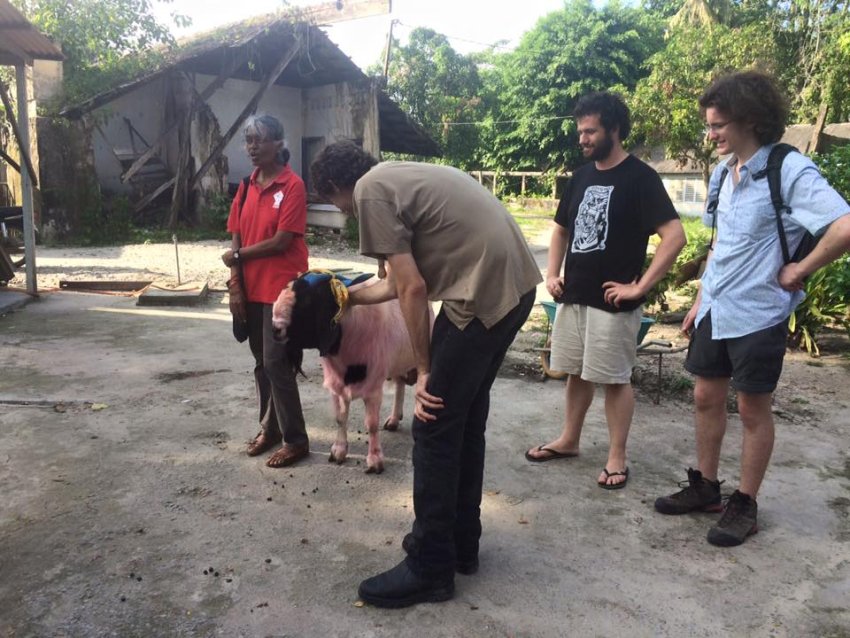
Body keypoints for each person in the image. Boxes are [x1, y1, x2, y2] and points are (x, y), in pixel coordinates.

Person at [310, 141, 541, 608]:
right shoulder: (394, 177)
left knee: (433, 424)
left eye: (332, 202)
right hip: (514, 288)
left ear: (335, 188)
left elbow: (412, 289)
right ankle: (460, 543)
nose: (340, 211)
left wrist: (425, 368)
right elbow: (394, 283)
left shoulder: (368, 194)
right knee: (464, 417)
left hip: (481, 297)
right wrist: (347, 296)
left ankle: (431, 566)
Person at [654, 71, 850, 546]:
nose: (711, 134)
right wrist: (701, 298)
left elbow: (843, 226)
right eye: (709, 126)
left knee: (752, 407)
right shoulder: (724, 173)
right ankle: (705, 487)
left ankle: (745, 502)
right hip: (718, 308)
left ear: (752, 120)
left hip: (760, 311)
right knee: (704, 396)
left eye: (718, 125)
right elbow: (723, 243)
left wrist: (799, 269)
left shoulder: (789, 170)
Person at [524, 92, 686, 489]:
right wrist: (552, 273)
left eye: (590, 130)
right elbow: (561, 228)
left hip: (614, 304)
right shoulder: (580, 177)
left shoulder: (641, 178)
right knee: (577, 373)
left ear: (614, 129)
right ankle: (569, 440)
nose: (582, 138)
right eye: (580, 131)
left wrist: (640, 287)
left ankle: (617, 456)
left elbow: (675, 236)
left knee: (615, 379)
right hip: (574, 296)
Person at [222, 114, 311, 468]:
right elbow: (236, 236)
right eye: (248, 140)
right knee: (262, 364)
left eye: (260, 140)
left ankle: (296, 439)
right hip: (253, 287)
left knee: (277, 362)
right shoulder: (245, 187)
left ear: (278, 143)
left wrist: (239, 255)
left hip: (283, 289)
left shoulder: (292, 186)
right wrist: (236, 284)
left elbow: (282, 240)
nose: (252, 147)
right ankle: (270, 428)